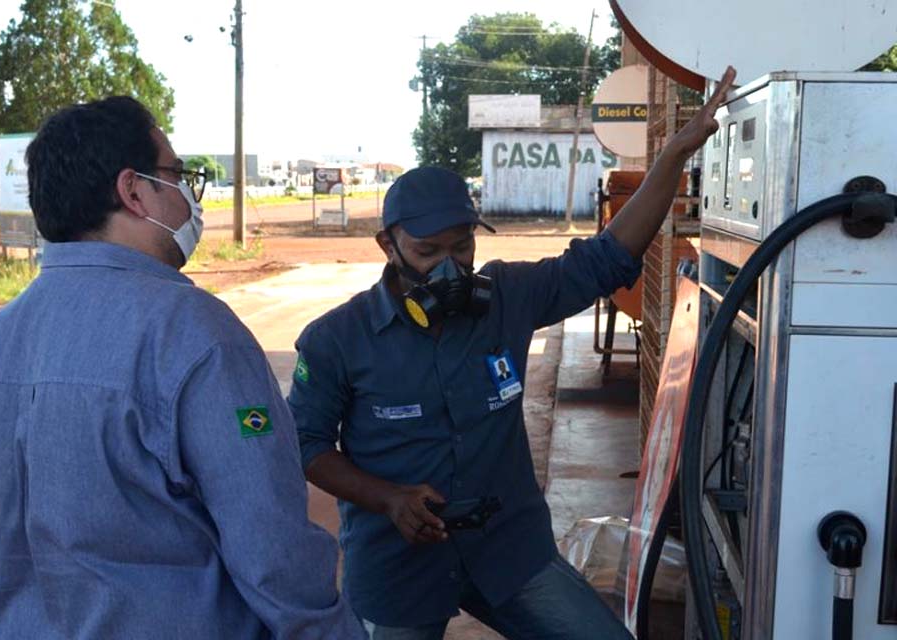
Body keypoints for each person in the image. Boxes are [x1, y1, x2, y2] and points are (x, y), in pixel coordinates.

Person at [287, 68, 737, 639]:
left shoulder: (506, 298)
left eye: (462, 246)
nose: (449, 267)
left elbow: (605, 260)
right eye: (427, 251)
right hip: (400, 566)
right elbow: (305, 444)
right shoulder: (336, 339)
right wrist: (388, 499)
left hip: (509, 552)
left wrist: (673, 154)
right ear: (388, 245)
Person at [0, 96, 364, 639]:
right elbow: (272, 548)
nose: (189, 193)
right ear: (134, 191)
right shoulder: (197, 334)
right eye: (176, 174)